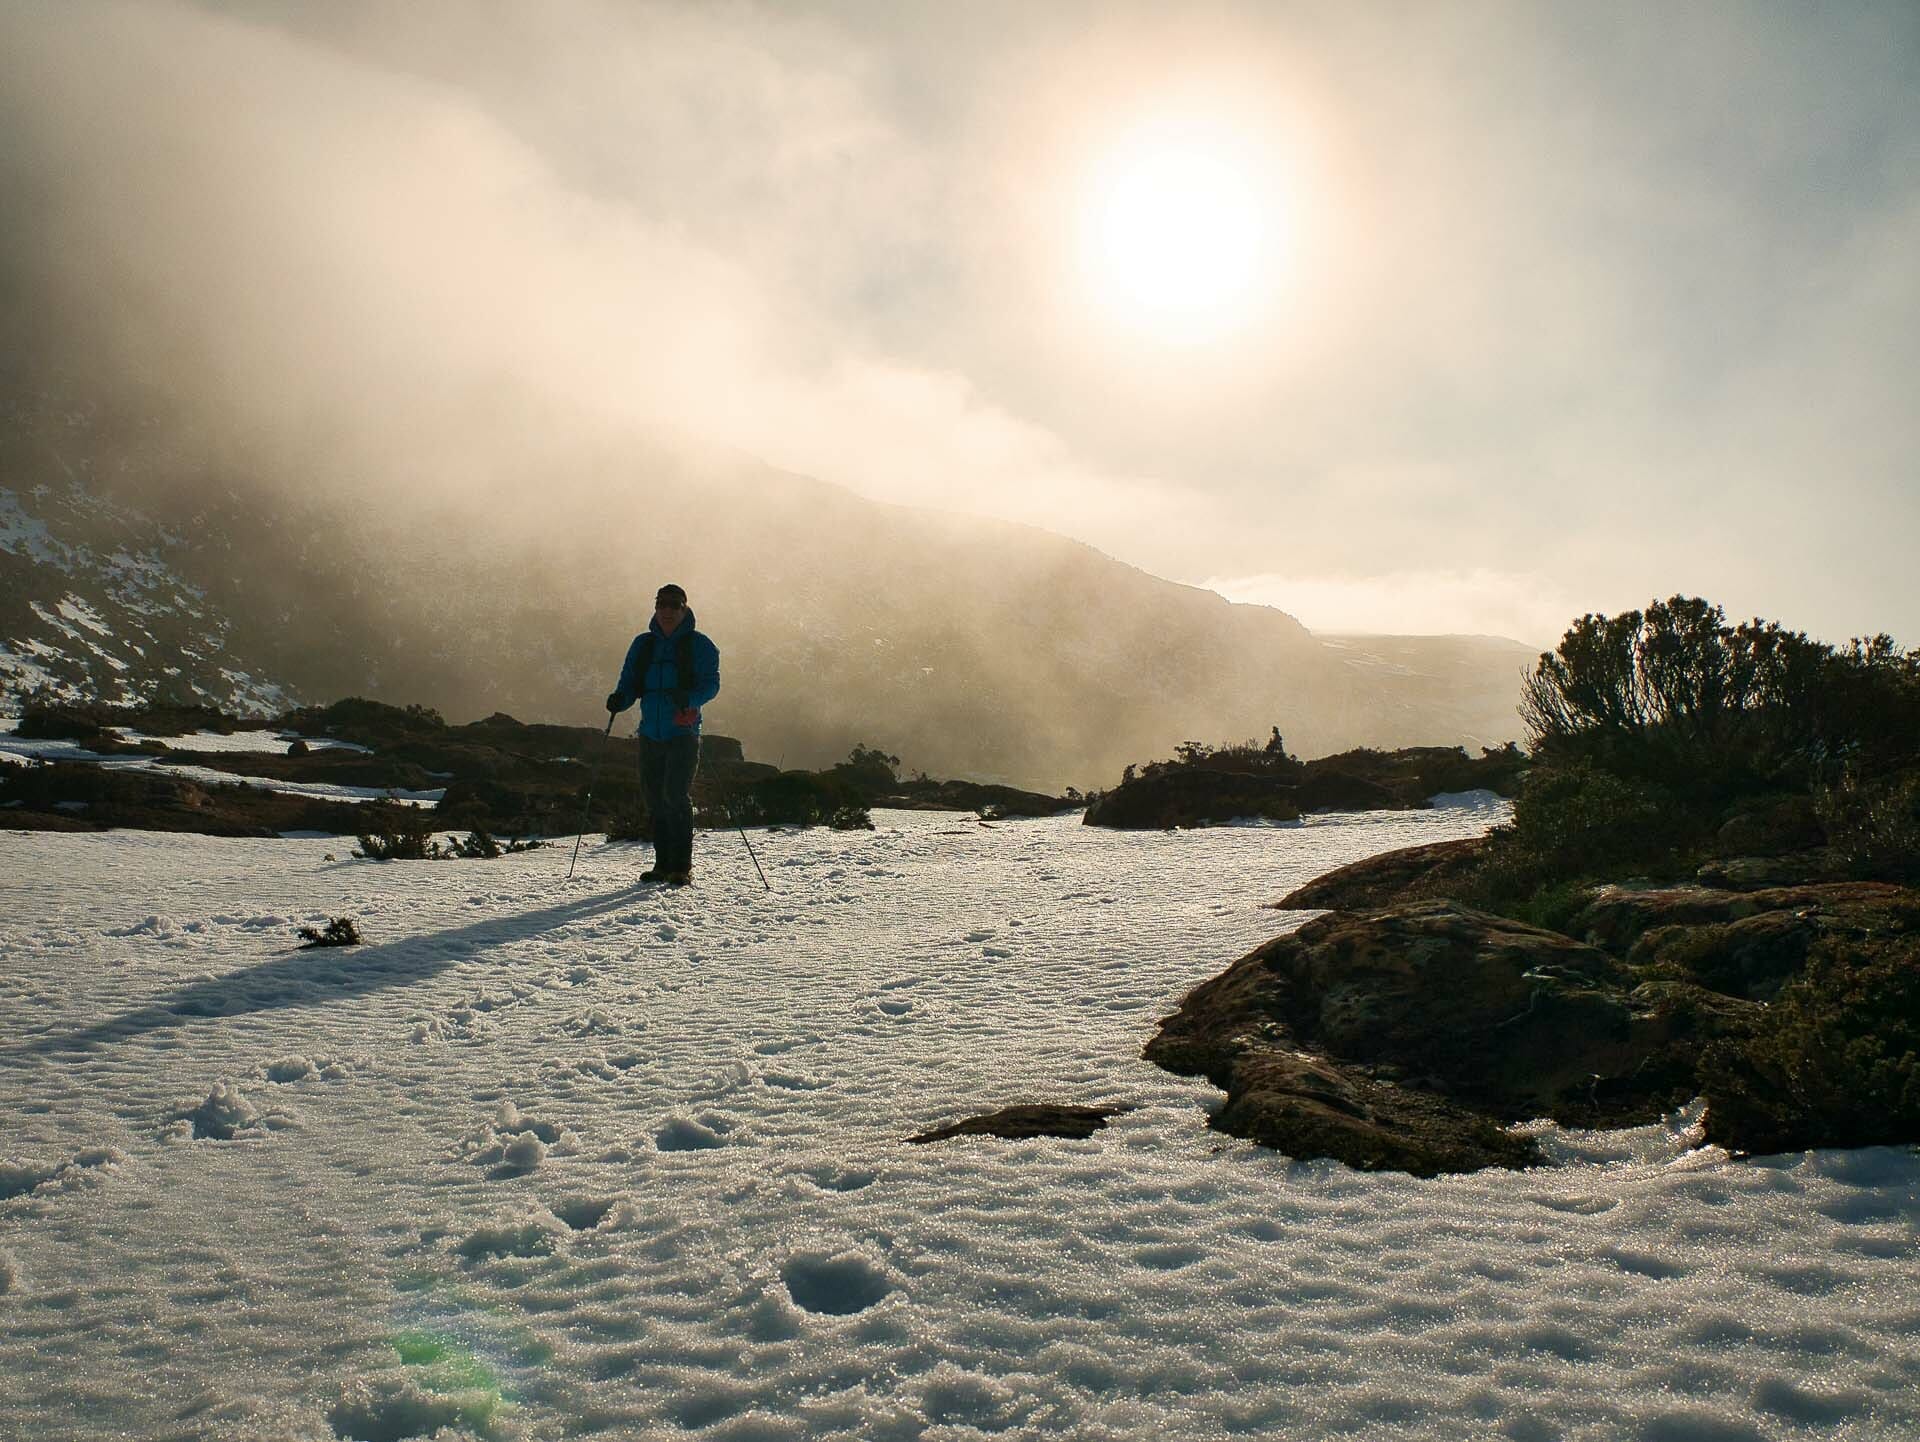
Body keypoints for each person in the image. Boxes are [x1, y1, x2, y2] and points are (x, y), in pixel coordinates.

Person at [606, 583, 720, 885]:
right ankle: (662, 865)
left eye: (674, 605)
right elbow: (629, 682)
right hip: (650, 733)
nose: (667, 611)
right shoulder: (643, 645)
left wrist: (690, 699)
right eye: (661, 604)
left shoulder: (700, 645)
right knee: (655, 798)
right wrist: (620, 699)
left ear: (684, 609)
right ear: (655, 608)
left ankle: (681, 866)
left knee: (675, 796)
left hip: (683, 732)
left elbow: (711, 685)